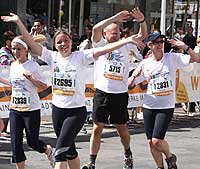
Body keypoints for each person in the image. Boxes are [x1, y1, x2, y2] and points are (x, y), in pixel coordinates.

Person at [1, 13, 143, 169]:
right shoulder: (51, 57)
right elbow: (29, 41)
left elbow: (104, 49)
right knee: (70, 151)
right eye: (59, 42)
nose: (63, 44)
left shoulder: (80, 56)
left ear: (71, 42)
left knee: (60, 152)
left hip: (75, 112)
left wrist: (126, 41)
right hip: (58, 111)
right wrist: (18, 21)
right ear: (54, 44)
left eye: (66, 41)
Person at [83, 7, 147, 169]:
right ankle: (92, 161)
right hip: (102, 92)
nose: (116, 35)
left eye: (118, 32)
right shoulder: (100, 44)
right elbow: (96, 28)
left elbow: (142, 36)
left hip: (119, 93)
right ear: (105, 35)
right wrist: (116, 17)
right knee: (97, 128)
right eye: (112, 32)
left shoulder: (126, 44)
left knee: (121, 128)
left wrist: (142, 21)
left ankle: (127, 153)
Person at [128, 32, 200, 169]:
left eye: (162, 42)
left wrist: (185, 47)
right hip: (149, 105)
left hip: (165, 106)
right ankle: (160, 167)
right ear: (150, 45)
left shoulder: (171, 58)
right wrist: (134, 76)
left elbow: (196, 59)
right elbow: (130, 85)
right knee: (151, 142)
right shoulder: (145, 63)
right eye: (157, 42)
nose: (160, 45)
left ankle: (170, 156)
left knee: (156, 141)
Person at [0, 34, 54, 169]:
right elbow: (14, 84)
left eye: (19, 49)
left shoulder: (33, 66)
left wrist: (32, 79)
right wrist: (1, 79)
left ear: (25, 50)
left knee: (33, 142)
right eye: (13, 49)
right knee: (15, 144)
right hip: (15, 109)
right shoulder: (13, 65)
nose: (16, 52)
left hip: (31, 110)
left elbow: (43, 86)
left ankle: (48, 150)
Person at [0, 30, 16, 136]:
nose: (12, 41)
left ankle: (5, 128)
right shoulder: (3, 50)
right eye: (10, 39)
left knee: (10, 103)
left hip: (12, 81)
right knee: (4, 104)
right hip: (4, 82)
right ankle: (3, 129)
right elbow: (3, 61)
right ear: (6, 41)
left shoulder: (14, 51)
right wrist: (15, 62)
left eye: (13, 39)